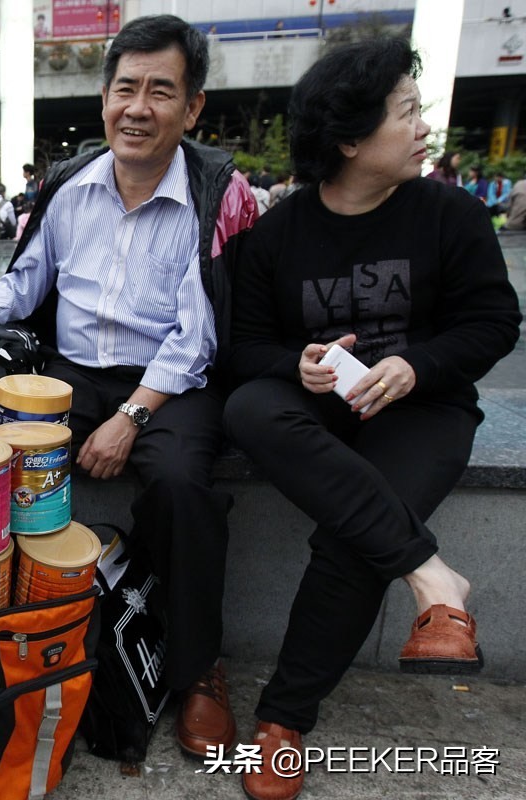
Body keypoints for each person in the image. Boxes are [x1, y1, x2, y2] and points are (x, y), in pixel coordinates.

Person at [0, 14, 257, 763]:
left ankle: (196, 671)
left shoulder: (220, 193)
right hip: (75, 369)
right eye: (126, 88)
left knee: (182, 483)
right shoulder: (68, 184)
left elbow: (198, 338)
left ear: (192, 110)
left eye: (162, 91)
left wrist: (131, 416)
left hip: (177, 381)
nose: (139, 107)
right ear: (103, 98)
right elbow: (24, 286)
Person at [223, 38, 521, 800]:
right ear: (350, 140)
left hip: (422, 411)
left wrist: (417, 363)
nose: (425, 127)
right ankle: (431, 572)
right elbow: (245, 347)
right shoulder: (278, 235)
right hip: (321, 406)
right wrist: (298, 366)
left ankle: (283, 721)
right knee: (250, 406)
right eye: (408, 112)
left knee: (353, 538)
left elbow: (493, 322)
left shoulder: (449, 212)